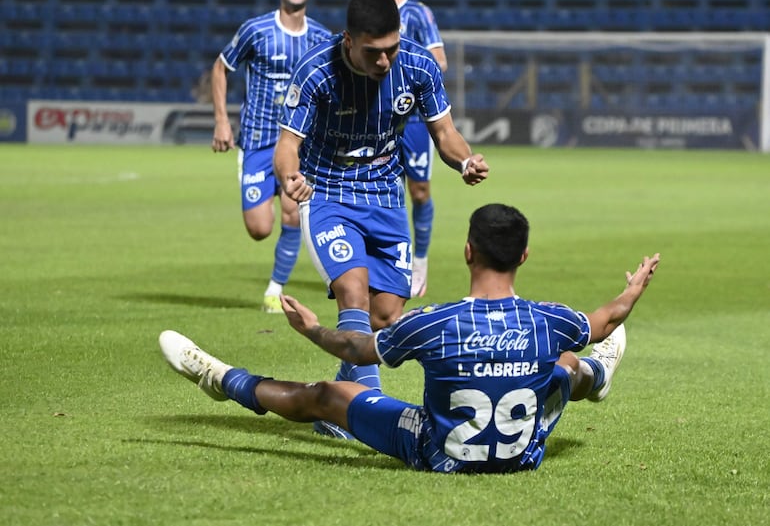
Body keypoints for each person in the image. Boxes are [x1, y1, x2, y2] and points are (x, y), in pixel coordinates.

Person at [159, 203, 661, 474]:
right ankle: (599, 374)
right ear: (524, 257)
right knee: (567, 364)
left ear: (467, 252)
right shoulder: (548, 320)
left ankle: (221, 378)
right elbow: (607, 320)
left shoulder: (432, 321)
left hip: (437, 452)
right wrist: (633, 288)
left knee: (326, 396)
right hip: (521, 455)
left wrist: (312, 329)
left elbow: (358, 350)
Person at [272, 0, 487, 436]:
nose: (385, 61)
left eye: (391, 48)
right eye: (374, 52)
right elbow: (287, 146)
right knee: (354, 290)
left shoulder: (417, 66)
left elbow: (445, 132)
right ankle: (366, 415)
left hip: (386, 195)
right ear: (349, 39)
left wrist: (465, 160)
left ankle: (335, 407)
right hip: (328, 190)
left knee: (386, 315)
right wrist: (291, 178)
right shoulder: (315, 70)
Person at [210, 0, 332, 313]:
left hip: (298, 144)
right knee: (260, 228)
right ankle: (273, 278)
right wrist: (222, 120)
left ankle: (274, 291)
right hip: (258, 141)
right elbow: (221, 66)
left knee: (293, 214)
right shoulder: (256, 30)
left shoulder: (322, 38)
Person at [364, 0, 447, 298]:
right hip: (373, 117)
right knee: (374, 188)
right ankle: (375, 264)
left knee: (419, 191)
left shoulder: (417, 13)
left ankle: (420, 263)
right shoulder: (367, 12)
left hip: (411, 120)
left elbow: (439, 61)